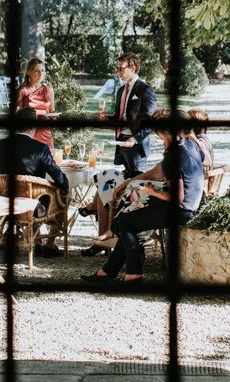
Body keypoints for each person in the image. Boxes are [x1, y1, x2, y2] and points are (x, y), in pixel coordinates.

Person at [80, 109, 204, 284]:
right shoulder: (188, 144)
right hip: (190, 206)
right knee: (128, 221)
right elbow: (156, 172)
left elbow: (178, 196)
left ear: (160, 133)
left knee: (126, 222)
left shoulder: (173, 155)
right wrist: (126, 183)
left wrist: (153, 192)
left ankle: (133, 272)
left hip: (180, 210)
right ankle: (107, 271)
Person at [79, 52, 157, 256]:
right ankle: (102, 235)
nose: (119, 72)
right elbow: (123, 117)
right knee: (107, 184)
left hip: (135, 149)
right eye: (118, 68)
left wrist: (135, 139)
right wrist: (109, 118)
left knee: (125, 190)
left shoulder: (145, 90)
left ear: (134, 67)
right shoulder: (121, 89)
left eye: (122, 68)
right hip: (120, 145)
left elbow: (149, 122)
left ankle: (105, 228)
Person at [0, 107, 69, 258]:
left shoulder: (0, 145)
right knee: (62, 196)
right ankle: (49, 245)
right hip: (34, 207)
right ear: (33, 126)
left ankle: (25, 237)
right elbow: (57, 176)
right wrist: (66, 186)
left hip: (7, 205)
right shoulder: (40, 148)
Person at [15, 58, 56, 154]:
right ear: (28, 72)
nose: (41, 74)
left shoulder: (49, 90)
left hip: (46, 134)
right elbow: (17, 116)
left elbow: (53, 113)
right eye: (36, 71)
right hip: (29, 135)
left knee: (48, 165)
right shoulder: (22, 91)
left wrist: (52, 118)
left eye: (42, 71)